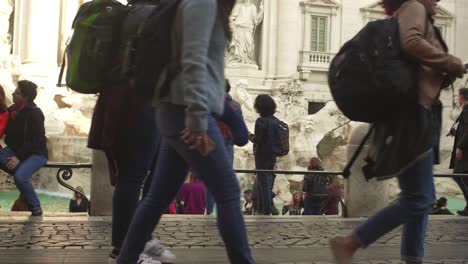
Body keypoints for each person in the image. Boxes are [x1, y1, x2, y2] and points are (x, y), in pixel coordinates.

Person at [116, 0, 256, 263]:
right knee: (228, 192)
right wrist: (197, 120)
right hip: (185, 111)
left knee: (158, 197)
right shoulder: (201, 3)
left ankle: (125, 259)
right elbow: (193, 61)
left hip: (177, 109)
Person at [329, 1, 467, 264]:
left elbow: (417, 65)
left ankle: (412, 259)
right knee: (421, 198)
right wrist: (449, 61)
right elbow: (411, 42)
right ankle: (351, 242)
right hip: (413, 118)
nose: (437, 0)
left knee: (418, 196)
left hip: (409, 116)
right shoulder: (414, 6)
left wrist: (446, 70)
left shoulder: (413, 12)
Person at [87, 1, 173, 262]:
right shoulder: (150, 16)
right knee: (134, 177)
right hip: (139, 102)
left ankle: (140, 237)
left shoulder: (131, 14)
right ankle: (124, 247)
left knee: (149, 174)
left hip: (130, 100)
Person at [0, 80, 48, 217]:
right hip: (13, 151)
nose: (13, 94)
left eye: (17, 93)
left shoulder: (35, 113)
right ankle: (22, 169)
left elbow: (35, 140)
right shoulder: (12, 110)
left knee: (20, 178)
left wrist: (19, 157)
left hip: (36, 154)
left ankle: (36, 207)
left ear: (25, 97)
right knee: (21, 174)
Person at [206, 79, 248, 215]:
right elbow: (240, 127)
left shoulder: (209, 103)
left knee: (211, 177)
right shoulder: (235, 105)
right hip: (228, 142)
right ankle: (226, 211)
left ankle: (209, 209)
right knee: (226, 176)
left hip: (211, 142)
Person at [250, 94, 279, 215]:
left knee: (263, 183)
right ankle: (266, 208)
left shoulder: (261, 121)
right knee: (267, 181)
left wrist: (249, 136)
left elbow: (258, 139)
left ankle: (265, 210)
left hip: (262, 155)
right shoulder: (276, 121)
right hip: (272, 154)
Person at [449, 87, 468, 216]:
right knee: (460, 176)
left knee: (460, 176)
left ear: (462, 97)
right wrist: (455, 132)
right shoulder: (465, 111)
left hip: (465, 152)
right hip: (465, 150)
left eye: (458, 96)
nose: (457, 99)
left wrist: (460, 147)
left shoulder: (467, 111)